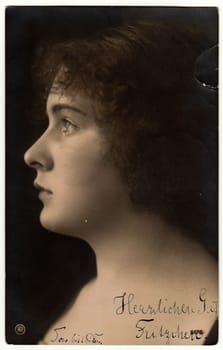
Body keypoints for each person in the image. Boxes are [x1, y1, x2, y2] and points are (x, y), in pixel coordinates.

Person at [24, 19, 218, 345]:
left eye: (67, 122)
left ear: (142, 140)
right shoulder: (50, 301)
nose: (32, 154)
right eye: (49, 123)